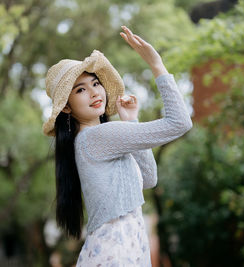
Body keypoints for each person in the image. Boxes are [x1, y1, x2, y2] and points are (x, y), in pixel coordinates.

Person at [42, 26, 192, 266]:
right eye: (80, 89)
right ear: (67, 107)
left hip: (124, 250)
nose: (94, 93)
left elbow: (149, 178)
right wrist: (156, 65)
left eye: (95, 84)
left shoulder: (96, 139)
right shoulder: (97, 137)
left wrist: (131, 121)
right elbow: (180, 122)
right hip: (116, 254)